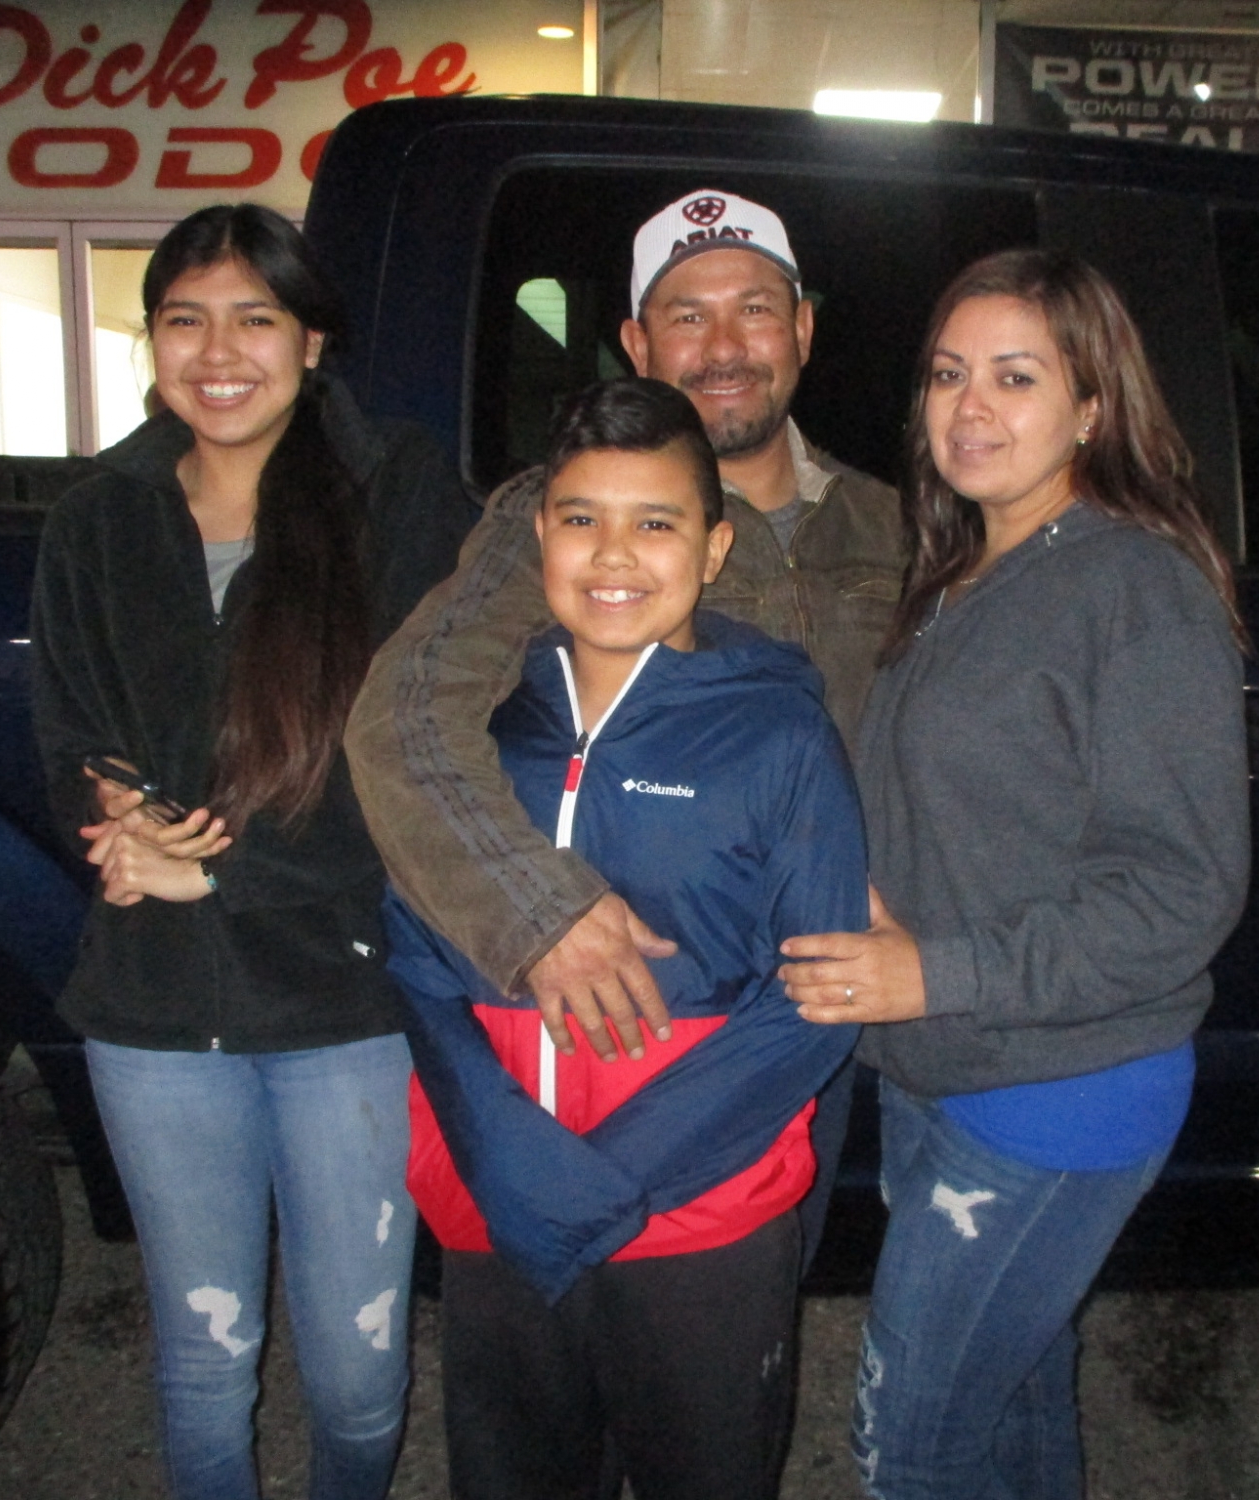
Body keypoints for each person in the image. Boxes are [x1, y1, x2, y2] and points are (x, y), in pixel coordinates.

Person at [344, 186, 901, 1262]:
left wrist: (920, 913)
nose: (724, 346)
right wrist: (534, 910)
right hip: (624, 1010)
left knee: (752, 1291)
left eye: (754, 308)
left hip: (811, 1012)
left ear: (802, 328)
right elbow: (407, 717)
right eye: (686, 315)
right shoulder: (553, 519)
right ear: (637, 345)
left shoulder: (892, 524)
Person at [777, 248, 1252, 1499]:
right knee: (1016, 1399)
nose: (969, 407)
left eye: (1014, 376)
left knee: (908, 1444)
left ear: (1091, 405)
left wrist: (933, 971)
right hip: (946, 1066)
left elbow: (1181, 891)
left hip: (1061, 1083)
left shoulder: (1131, 586)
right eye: (946, 375)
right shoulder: (963, 570)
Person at [28, 203, 474, 1500]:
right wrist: (113, 812)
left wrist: (218, 868)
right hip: (154, 1006)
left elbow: (422, 751)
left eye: (253, 318)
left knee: (359, 1374)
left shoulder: (398, 493)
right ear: (151, 340)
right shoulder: (98, 514)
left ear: (311, 340)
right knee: (203, 1358)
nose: (217, 352)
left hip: (343, 1003)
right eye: (184, 320)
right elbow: (70, 725)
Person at [384, 377, 867, 1500]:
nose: (613, 555)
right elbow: (411, 938)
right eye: (580, 518)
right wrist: (503, 1154)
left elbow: (814, 996)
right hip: (498, 1209)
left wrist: (609, 1180)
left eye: (655, 522)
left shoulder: (780, 735)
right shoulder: (480, 729)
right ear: (539, 539)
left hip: (697, 1221)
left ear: (713, 548)